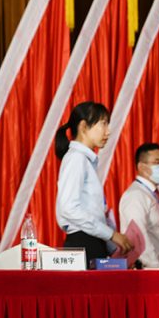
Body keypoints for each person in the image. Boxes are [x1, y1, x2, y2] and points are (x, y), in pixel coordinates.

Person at [54, 102, 133, 260]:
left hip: (91, 240)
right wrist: (111, 234)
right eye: (103, 124)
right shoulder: (76, 158)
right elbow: (68, 208)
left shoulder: (83, 160)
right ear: (83, 127)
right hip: (84, 242)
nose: (108, 131)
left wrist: (110, 241)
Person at [117, 142, 159, 269]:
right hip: (148, 268)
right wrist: (155, 268)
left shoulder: (149, 194)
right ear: (141, 167)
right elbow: (139, 238)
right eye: (158, 162)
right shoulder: (135, 195)